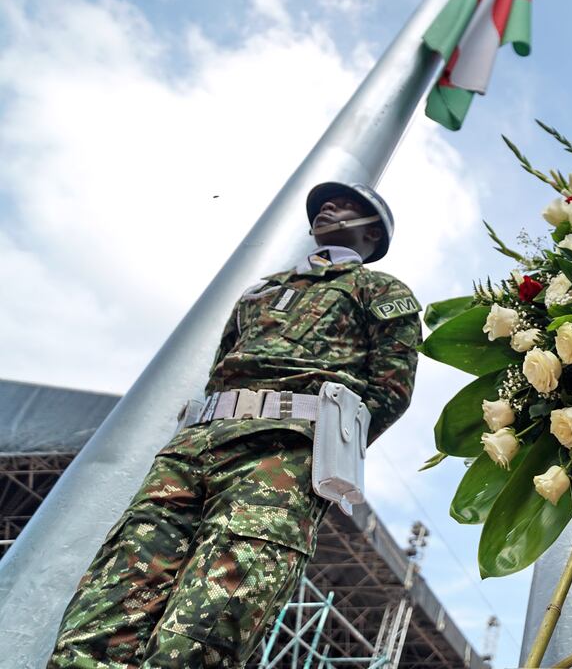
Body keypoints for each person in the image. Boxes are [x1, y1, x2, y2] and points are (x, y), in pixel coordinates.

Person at [48, 181, 422, 668]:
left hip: (279, 460)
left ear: (372, 230)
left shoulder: (379, 289)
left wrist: (316, 442)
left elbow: (390, 391)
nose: (328, 207)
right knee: (107, 607)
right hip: (192, 451)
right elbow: (223, 369)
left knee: (206, 629)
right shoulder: (262, 292)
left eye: (347, 204)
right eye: (324, 203)